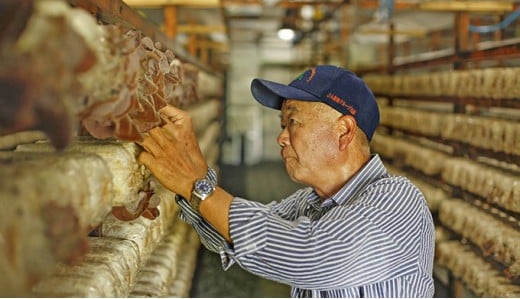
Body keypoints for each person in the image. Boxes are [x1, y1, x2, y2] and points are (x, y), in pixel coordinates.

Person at [138, 65, 435, 298]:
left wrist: (197, 185)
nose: (281, 138)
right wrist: (195, 175)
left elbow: (311, 255)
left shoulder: (399, 201)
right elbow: (232, 237)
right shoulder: (310, 202)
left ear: (344, 131)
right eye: (283, 125)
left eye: (292, 122)